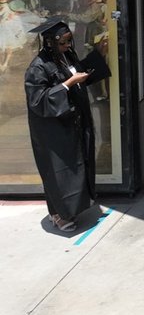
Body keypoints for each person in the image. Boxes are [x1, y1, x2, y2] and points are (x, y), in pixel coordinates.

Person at [24, 19, 110, 232]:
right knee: (57, 171)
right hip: (53, 130)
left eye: (69, 41)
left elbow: (78, 71)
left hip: (73, 122)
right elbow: (38, 100)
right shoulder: (38, 67)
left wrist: (97, 55)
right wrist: (68, 83)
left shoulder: (66, 56)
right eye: (63, 42)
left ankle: (74, 207)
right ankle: (58, 215)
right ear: (51, 43)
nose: (68, 46)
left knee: (77, 165)